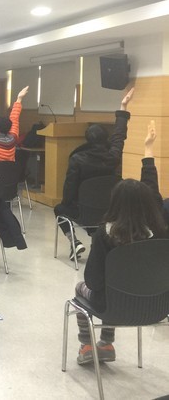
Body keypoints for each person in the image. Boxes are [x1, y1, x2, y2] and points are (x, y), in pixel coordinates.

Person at [74, 120, 167, 365]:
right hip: (156, 304)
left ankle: (91, 345)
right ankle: (105, 344)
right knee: (114, 287)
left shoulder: (105, 234)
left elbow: (93, 281)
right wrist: (148, 151)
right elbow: (151, 189)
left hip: (113, 305)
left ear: (114, 203)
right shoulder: (160, 233)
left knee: (83, 288)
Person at [54, 88, 134, 261]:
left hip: (85, 211)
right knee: (93, 212)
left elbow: (70, 187)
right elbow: (119, 136)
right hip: (110, 210)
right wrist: (123, 107)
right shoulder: (113, 156)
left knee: (60, 209)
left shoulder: (77, 159)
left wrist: (67, 203)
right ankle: (96, 240)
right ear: (105, 138)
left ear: (87, 139)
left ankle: (74, 242)